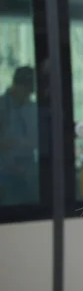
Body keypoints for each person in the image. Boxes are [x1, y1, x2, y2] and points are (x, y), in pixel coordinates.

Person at [0, 66, 38, 205]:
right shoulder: (2, 106)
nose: (28, 94)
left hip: (28, 167)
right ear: (18, 85)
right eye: (26, 90)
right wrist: (14, 144)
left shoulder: (33, 108)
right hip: (6, 168)